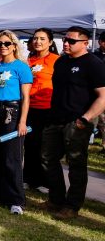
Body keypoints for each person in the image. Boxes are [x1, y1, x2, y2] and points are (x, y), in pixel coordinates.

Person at [42, 26, 105, 220]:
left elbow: (103, 96)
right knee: (47, 159)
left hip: (77, 121)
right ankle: (56, 199)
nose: (66, 43)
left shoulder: (93, 63)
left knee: (76, 164)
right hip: (55, 119)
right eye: (65, 40)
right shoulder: (61, 62)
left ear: (85, 43)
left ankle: (72, 205)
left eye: (71, 41)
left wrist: (85, 119)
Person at [0, 30, 33, 215]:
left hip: (13, 113)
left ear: (14, 46)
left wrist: (22, 122)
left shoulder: (21, 67)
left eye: (6, 44)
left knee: (12, 157)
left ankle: (16, 200)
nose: (2, 47)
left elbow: (26, 98)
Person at [25, 27, 58, 192]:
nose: (37, 41)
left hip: (47, 110)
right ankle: (29, 179)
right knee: (30, 144)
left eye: (42, 39)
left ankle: (45, 182)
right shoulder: (28, 60)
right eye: (35, 38)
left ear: (50, 42)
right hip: (29, 110)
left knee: (45, 147)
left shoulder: (57, 60)